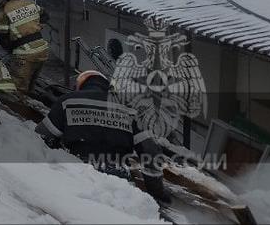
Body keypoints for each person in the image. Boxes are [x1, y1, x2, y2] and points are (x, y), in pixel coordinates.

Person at [36, 70, 170, 204]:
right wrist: (157, 193)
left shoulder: (68, 101)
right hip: (117, 182)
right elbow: (150, 152)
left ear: (80, 85)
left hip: (77, 174)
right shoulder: (131, 110)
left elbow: (40, 138)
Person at [0, 0, 50, 95]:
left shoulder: (3, 13)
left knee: (18, 91)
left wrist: (12, 49)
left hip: (25, 54)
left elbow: (1, 38)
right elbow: (45, 15)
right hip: (42, 50)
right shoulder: (29, 3)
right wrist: (35, 27)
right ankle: (32, 101)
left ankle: (21, 105)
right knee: (31, 86)